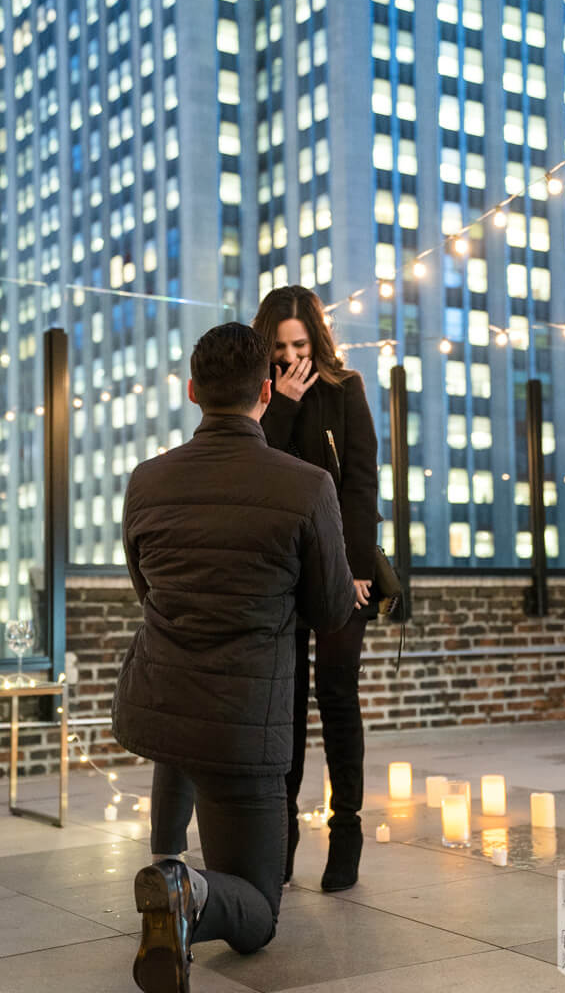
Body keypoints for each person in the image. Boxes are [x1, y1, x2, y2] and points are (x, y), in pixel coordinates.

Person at [112, 322, 355, 993]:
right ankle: (183, 888)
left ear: (192, 391)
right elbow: (332, 608)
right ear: (267, 393)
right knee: (257, 910)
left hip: (159, 707)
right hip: (243, 726)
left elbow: (147, 589)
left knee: (184, 755)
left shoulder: (146, 481)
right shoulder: (307, 487)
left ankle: (173, 870)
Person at [252, 285, 378, 892]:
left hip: (341, 570)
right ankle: (282, 836)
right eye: (278, 347)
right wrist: (281, 406)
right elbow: (257, 471)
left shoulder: (346, 389)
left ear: (317, 340)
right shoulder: (262, 397)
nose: (290, 357)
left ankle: (346, 830)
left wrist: (353, 569)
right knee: (286, 705)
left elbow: (359, 484)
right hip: (283, 574)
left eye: (299, 344)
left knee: (336, 694)